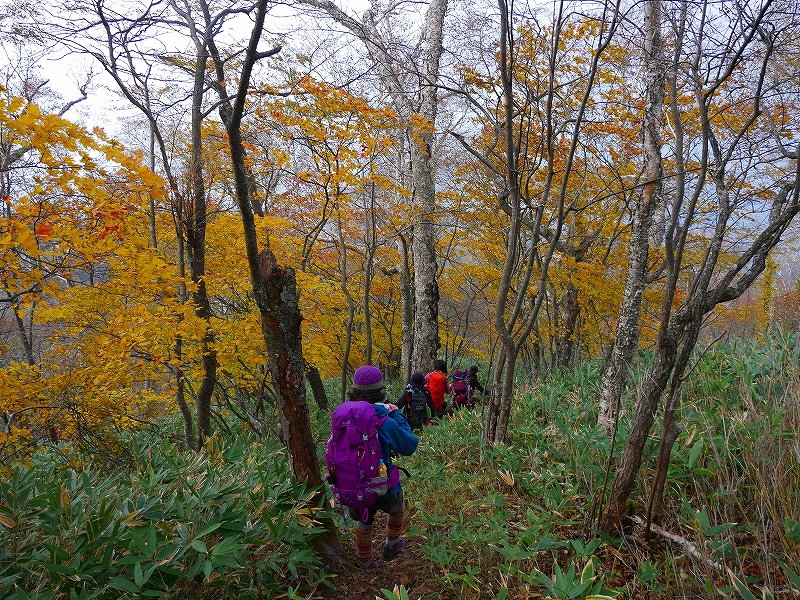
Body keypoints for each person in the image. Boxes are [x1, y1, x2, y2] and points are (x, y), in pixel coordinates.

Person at [348, 365, 419, 569]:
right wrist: (396, 414)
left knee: (365, 518)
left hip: (354, 485)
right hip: (382, 486)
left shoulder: (345, 415)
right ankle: (392, 543)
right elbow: (409, 445)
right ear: (379, 392)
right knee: (397, 508)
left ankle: (365, 560)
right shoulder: (383, 419)